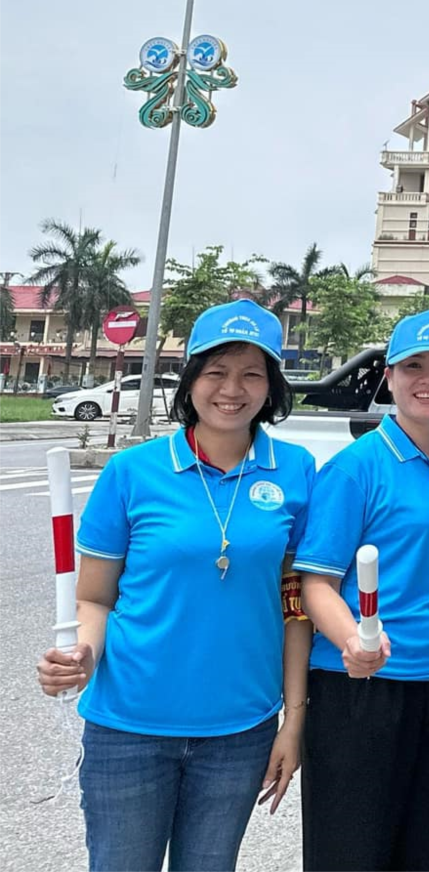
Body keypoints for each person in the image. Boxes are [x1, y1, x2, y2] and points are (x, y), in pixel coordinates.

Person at [38, 300, 314, 872]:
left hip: (240, 730)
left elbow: (296, 609)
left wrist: (294, 720)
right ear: (189, 380)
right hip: (129, 726)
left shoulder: (297, 471)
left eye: (251, 373)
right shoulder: (131, 472)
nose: (231, 389)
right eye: (216, 371)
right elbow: (95, 597)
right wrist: (82, 654)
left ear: (271, 386)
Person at [295, 308, 429, 872]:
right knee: (351, 856)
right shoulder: (355, 468)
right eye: (413, 365)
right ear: (389, 376)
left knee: (422, 854)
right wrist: (353, 640)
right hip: (363, 689)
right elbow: (316, 583)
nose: (428, 378)